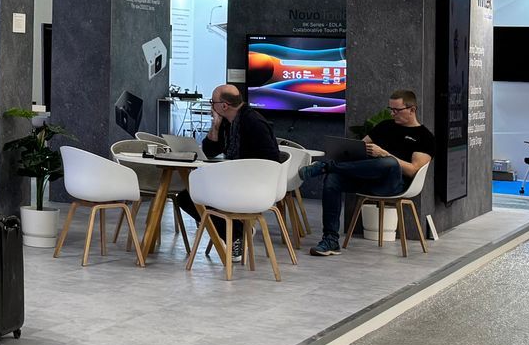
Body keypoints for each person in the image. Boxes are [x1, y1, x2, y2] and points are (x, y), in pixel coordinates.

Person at [308, 90, 434, 257]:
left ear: (412, 109)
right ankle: (331, 239)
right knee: (333, 180)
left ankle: (327, 166)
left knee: (388, 162)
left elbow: (413, 170)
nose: (392, 113)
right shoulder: (385, 126)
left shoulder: (425, 137)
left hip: (394, 185)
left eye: (397, 110)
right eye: (391, 109)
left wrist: (384, 154)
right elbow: (357, 149)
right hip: (367, 178)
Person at [177, 84, 285, 256]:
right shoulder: (227, 123)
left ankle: (236, 234)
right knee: (186, 196)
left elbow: (272, 161)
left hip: (254, 185)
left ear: (224, 105)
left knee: (191, 197)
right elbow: (210, 151)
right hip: (235, 181)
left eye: (213, 102)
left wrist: (243, 172)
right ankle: (239, 233)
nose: (211, 106)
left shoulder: (254, 123)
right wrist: (215, 125)